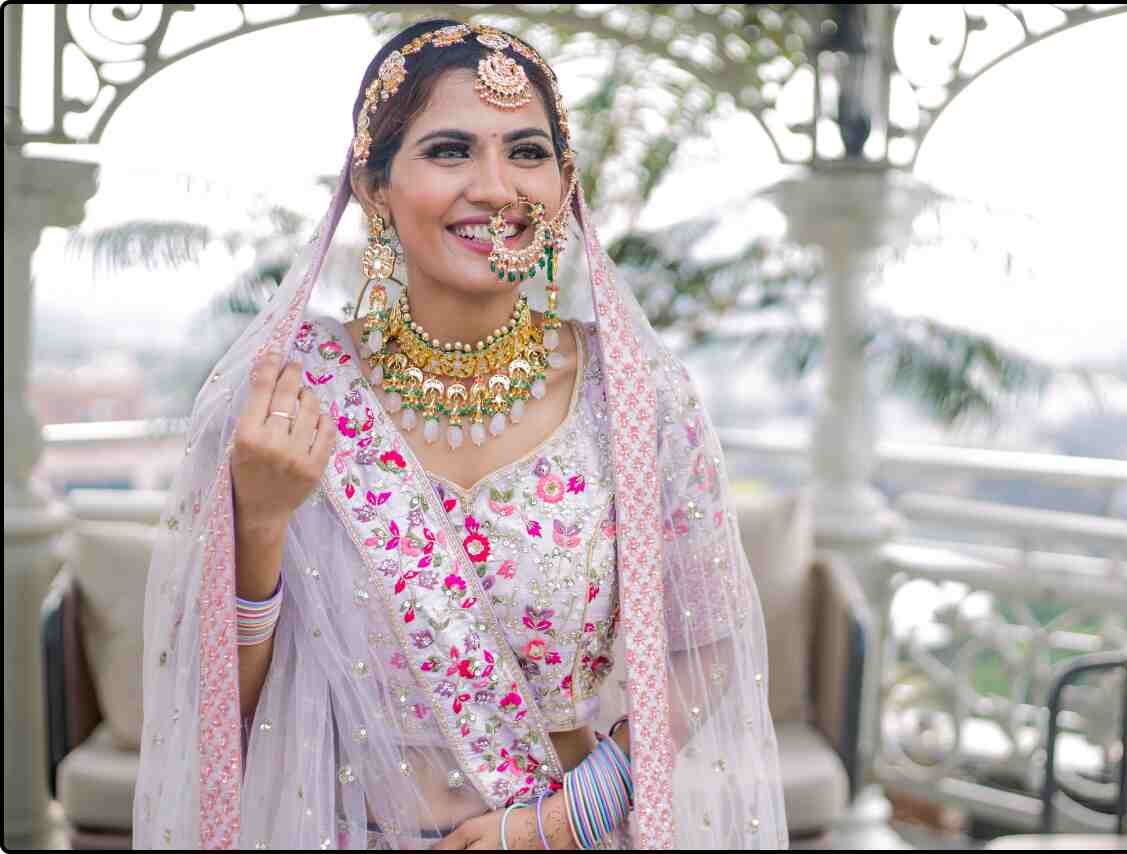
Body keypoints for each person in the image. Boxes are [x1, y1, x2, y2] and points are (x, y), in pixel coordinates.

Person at [133, 18, 788, 850]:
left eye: (526, 152)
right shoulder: (290, 394)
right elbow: (216, 704)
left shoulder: (635, 397)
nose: (496, 187)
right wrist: (260, 520)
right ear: (374, 186)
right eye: (449, 151)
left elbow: (711, 641)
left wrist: (562, 819)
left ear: (564, 183)